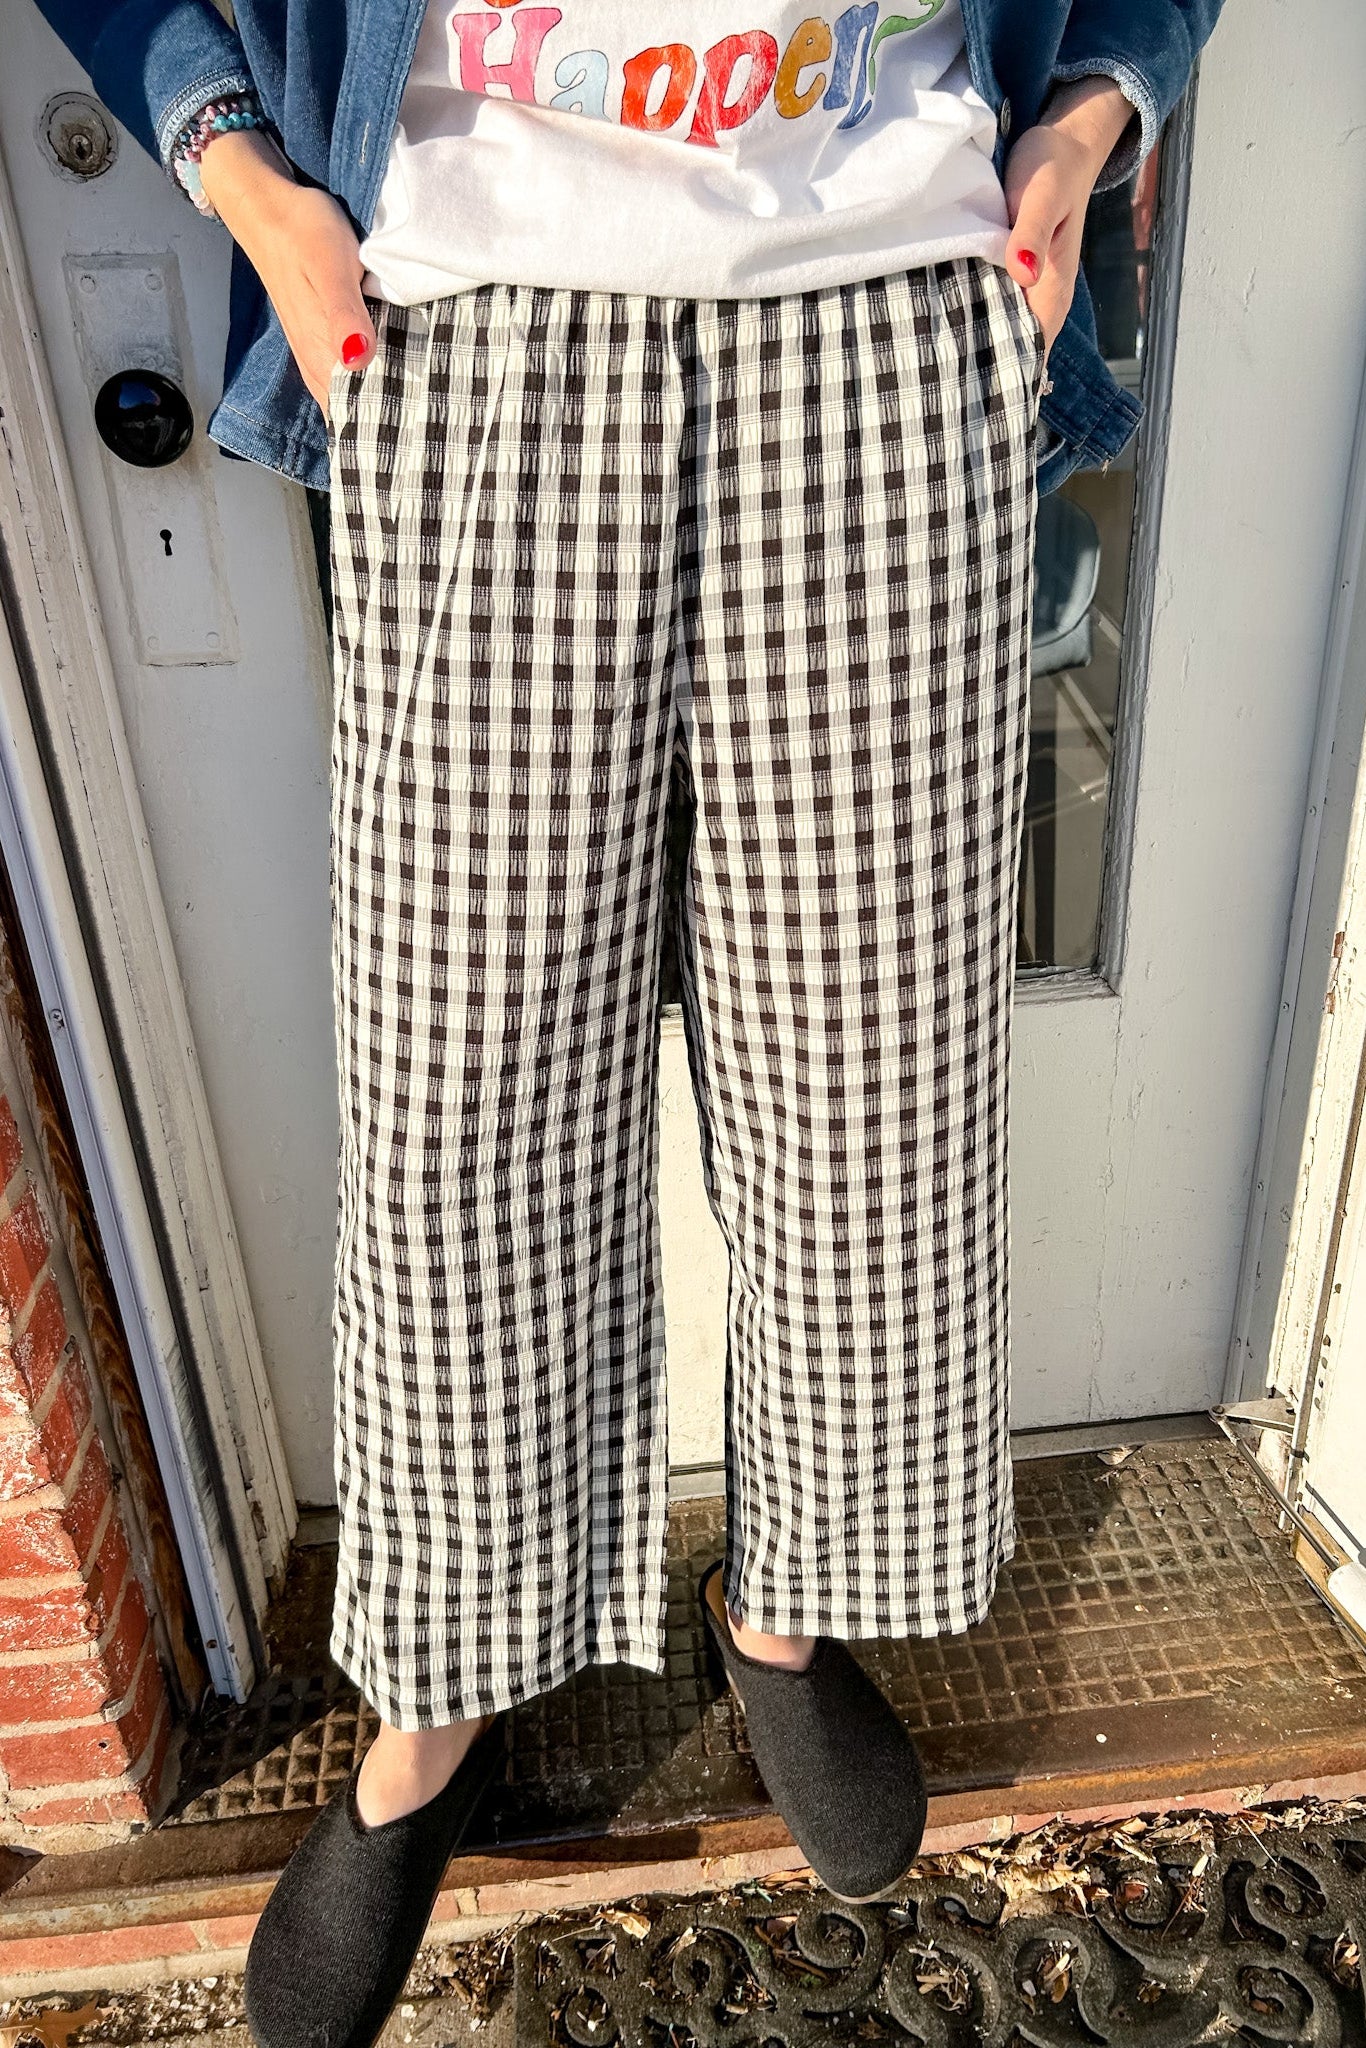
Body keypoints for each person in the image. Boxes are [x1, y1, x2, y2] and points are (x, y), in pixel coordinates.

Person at [29, 0, 1225, 2042]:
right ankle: (439, 1703)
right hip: (468, 324)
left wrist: (1094, 112)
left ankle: (781, 1611)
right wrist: (239, 168)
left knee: (871, 1102)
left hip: (879, 309)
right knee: (457, 1106)